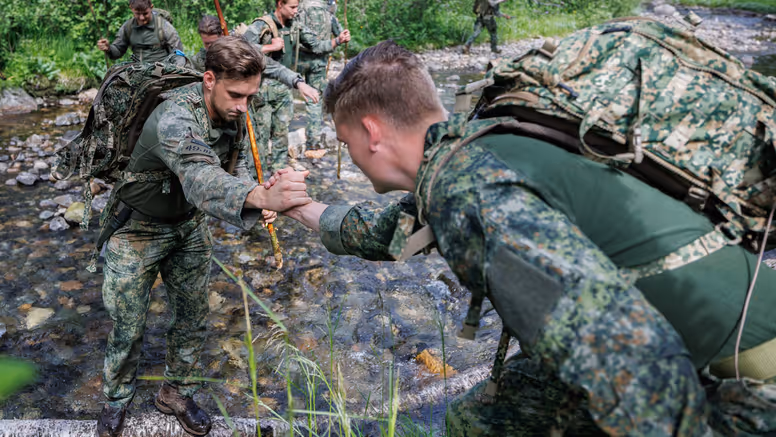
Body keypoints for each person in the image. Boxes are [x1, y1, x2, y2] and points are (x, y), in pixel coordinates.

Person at [274, 40, 776, 435]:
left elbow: (621, 348)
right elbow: (392, 230)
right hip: (725, 333)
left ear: (372, 132)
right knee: (483, 415)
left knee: (486, 422)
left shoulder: (465, 189)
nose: (351, 158)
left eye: (346, 144)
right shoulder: (484, 146)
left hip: (746, 384)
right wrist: (300, 207)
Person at [96, 36, 312, 437]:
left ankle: (176, 392)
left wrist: (254, 193)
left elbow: (239, 164)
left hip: (189, 225)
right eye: (236, 95)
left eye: (251, 96)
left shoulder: (236, 113)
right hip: (137, 227)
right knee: (128, 323)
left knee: (193, 315)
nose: (243, 106)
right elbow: (199, 176)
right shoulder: (174, 118)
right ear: (209, 79)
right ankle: (116, 398)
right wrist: (257, 195)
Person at [191, 15, 321, 177]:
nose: (210, 48)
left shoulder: (239, 55)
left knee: (248, 158)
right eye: (206, 44)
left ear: (223, 37)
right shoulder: (198, 60)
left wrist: (298, 82)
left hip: (240, 121)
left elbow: (275, 68)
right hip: (212, 126)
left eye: (213, 43)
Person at [242, 0, 351, 172]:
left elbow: (316, 46)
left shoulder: (295, 25)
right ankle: (258, 182)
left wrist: (338, 40)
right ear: (280, 4)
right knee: (259, 139)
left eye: (297, 7)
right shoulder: (262, 25)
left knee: (281, 137)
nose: (296, 11)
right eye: (292, 7)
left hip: (284, 90)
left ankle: (279, 175)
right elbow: (240, 48)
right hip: (261, 91)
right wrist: (269, 47)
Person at [296, 0, 343, 150]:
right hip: (319, 60)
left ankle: (277, 135)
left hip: (298, 58)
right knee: (314, 99)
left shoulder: (299, 7)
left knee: (282, 95)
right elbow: (340, 34)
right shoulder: (328, 10)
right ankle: (313, 141)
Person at [96, 0, 184, 64]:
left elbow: (178, 53)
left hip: (162, 70)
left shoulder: (165, 27)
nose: (142, 18)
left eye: (145, 13)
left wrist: (175, 70)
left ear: (151, 8)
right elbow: (118, 50)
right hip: (138, 70)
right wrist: (108, 48)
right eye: (137, 14)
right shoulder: (128, 27)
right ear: (131, 9)